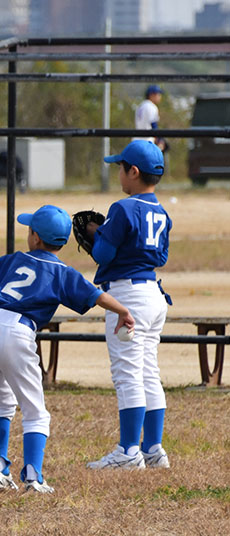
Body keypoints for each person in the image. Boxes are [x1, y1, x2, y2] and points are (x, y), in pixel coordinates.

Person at [0, 205, 135, 493]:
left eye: (29, 229)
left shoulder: (15, 260)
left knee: (2, 403)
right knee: (35, 412)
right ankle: (33, 478)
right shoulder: (63, 273)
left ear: (35, 238)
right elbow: (97, 296)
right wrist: (123, 311)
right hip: (17, 333)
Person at [86, 140, 172, 471]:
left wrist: (99, 234)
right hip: (152, 293)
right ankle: (152, 449)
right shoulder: (162, 212)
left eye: (120, 168)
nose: (118, 173)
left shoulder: (123, 208)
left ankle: (127, 451)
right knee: (149, 370)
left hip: (127, 296)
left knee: (127, 373)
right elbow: (160, 256)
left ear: (133, 172)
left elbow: (104, 254)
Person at [135, 85, 168, 152]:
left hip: (136, 141)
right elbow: (153, 125)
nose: (159, 97)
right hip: (147, 141)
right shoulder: (151, 106)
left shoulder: (141, 106)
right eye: (158, 94)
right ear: (152, 95)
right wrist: (160, 140)